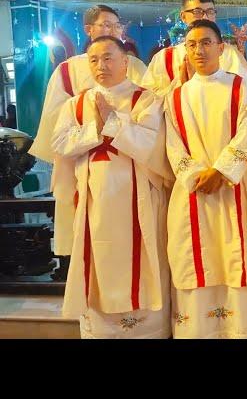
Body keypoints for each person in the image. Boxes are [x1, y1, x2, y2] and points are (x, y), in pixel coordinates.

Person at [51, 36, 171, 338]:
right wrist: (96, 126)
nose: (100, 65)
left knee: (143, 262)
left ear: (125, 62)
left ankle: (146, 331)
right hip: (94, 202)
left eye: (108, 58)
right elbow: (61, 143)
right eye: (93, 59)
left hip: (138, 200)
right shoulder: (75, 103)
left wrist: (112, 121)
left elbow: (152, 145)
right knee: (98, 265)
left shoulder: (146, 99)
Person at [165, 20, 247, 338]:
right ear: (185, 51)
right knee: (197, 259)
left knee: (242, 257)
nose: (199, 50)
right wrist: (196, 174)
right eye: (192, 44)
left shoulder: (242, 88)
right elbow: (172, 144)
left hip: (236, 186)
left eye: (206, 42)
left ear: (220, 47)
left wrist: (222, 170)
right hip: (195, 192)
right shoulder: (175, 98)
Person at [29, 4, 147, 257]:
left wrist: (117, 120)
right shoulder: (68, 69)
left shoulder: (135, 66)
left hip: (128, 159)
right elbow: (55, 118)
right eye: (105, 25)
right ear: (88, 29)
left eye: (116, 26)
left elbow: (148, 110)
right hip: (81, 157)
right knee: (84, 232)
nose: (112, 30)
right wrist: (85, 111)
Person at [141, 0, 247, 97]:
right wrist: (182, 85)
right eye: (198, 12)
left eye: (210, 12)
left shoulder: (229, 54)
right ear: (183, 17)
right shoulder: (164, 58)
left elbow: (243, 93)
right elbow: (148, 101)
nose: (205, 18)